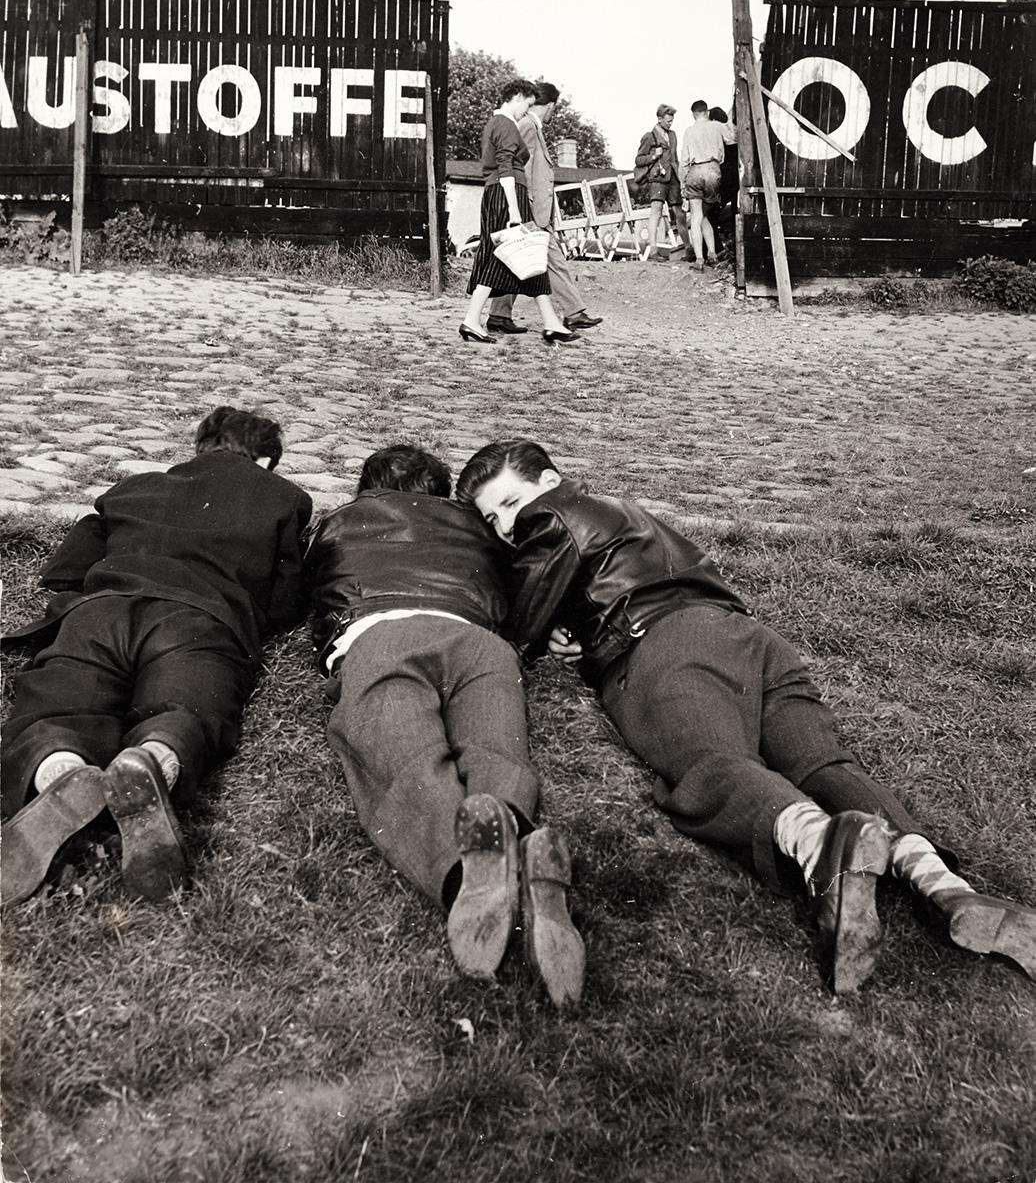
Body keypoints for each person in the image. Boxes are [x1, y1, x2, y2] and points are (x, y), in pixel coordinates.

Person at [456, 440, 1036, 993]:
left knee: (711, 765)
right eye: (492, 520)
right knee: (821, 762)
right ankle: (946, 886)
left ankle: (821, 849)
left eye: (511, 503)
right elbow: (591, 583)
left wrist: (522, 633)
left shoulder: (552, 514)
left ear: (550, 483)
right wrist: (575, 630)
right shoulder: (625, 514)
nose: (508, 526)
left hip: (665, 648)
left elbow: (519, 615)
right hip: (751, 640)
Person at [304, 444, 583, 1007]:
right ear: (441, 492)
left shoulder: (339, 522)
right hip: (481, 643)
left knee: (400, 751)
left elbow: (301, 590)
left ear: (366, 490)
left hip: (383, 632)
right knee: (497, 750)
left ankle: (463, 872)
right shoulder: (476, 527)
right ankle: (518, 841)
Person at [1, 407, 313, 907]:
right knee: (186, 710)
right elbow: (284, 600)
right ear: (266, 462)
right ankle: (153, 759)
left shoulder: (134, 486)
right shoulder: (283, 498)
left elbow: (66, 567)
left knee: (59, 698)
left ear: (199, 449)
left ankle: (57, 765)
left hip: (103, 610)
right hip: (198, 621)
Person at [459, 79, 580, 348]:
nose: (528, 110)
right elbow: (504, 167)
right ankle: (472, 319)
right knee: (505, 257)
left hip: (506, 195)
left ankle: (550, 322)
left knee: (525, 258)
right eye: (527, 104)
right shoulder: (503, 123)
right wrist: (514, 210)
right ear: (516, 96)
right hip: (506, 197)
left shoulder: (504, 123)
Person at [484, 81, 602, 337]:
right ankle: (573, 313)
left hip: (534, 209)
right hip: (531, 210)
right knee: (551, 261)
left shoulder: (530, 126)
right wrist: (523, 209)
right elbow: (520, 169)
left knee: (518, 263)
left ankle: (498, 315)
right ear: (549, 106)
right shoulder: (527, 126)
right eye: (553, 108)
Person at [679, 100, 737, 270]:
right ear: (707, 112)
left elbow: (684, 161)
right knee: (704, 215)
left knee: (697, 217)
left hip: (695, 171)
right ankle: (712, 253)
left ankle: (699, 260)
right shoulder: (717, 126)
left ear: (694, 114)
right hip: (713, 171)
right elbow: (733, 137)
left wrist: (683, 186)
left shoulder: (689, 131)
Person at [634, 104, 691, 262]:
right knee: (656, 212)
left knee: (680, 213)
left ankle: (688, 249)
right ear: (659, 119)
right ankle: (653, 251)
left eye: (671, 121)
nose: (670, 124)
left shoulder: (673, 135)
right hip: (657, 178)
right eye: (667, 121)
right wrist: (653, 156)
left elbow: (675, 158)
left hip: (673, 178)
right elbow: (638, 160)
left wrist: (681, 177)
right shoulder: (649, 136)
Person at [706, 105, 739, 255]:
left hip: (725, 179)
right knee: (735, 213)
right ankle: (735, 246)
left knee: (710, 214)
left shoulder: (716, 131)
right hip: (738, 179)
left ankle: (717, 248)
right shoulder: (732, 133)